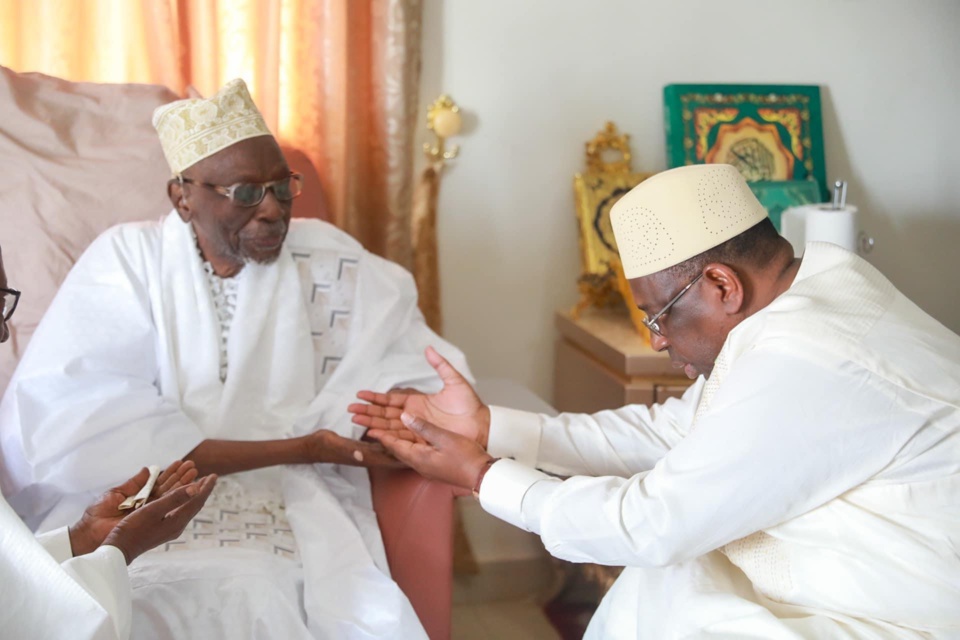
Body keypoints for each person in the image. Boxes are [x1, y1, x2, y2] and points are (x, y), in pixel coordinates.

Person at [351, 164, 960, 638]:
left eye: (660, 315)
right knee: (668, 582)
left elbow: (650, 524)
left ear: (723, 285)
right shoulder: (810, 293)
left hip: (898, 616)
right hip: (849, 577)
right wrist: (490, 429)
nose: (657, 338)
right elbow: (674, 432)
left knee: (665, 569)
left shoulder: (811, 356)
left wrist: (483, 477)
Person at [0, 79, 469, 639]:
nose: (272, 209)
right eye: (246, 192)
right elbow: (78, 422)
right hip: (133, 502)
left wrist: (394, 423)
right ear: (183, 198)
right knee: (130, 603)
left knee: (258, 591)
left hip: (286, 500)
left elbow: (404, 359)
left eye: (282, 186)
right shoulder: (126, 260)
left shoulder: (330, 258)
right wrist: (308, 445)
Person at [0, 246, 218, 639]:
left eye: (2, 302)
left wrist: (83, 536)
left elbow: (8, 586)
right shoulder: (124, 252)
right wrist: (121, 550)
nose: (4, 332)